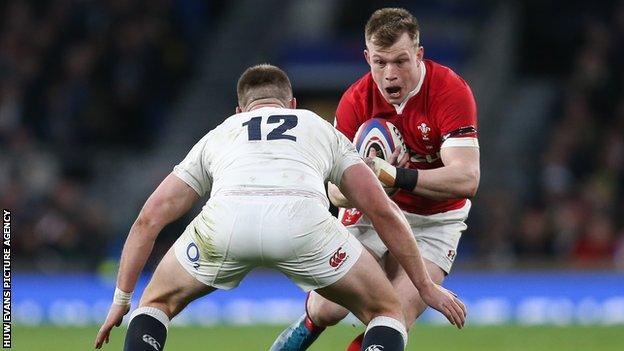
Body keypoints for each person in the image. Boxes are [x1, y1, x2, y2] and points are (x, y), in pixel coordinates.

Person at [94, 64, 466, 351]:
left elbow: (149, 218)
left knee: (155, 303)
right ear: (292, 105)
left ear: (241, 109)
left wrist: (121, 300)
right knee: (387, 312)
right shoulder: (317, 127)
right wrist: (424, 286)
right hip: (302, 224)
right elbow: (381, 209)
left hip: (226, 222)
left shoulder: (221, 132)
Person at [271, 7, 480, 351]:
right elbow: (335, 193)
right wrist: (372, 185)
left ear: (419, 54)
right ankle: (309, 322)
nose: (390, 75)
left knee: (393, 314)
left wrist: (395, 175)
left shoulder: (449, 91)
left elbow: (466, 178)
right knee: (329, 307)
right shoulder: (355, 101)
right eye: (380, 63)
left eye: (400, 61)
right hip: (369, 212)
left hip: (433, 219)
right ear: (367, 57)